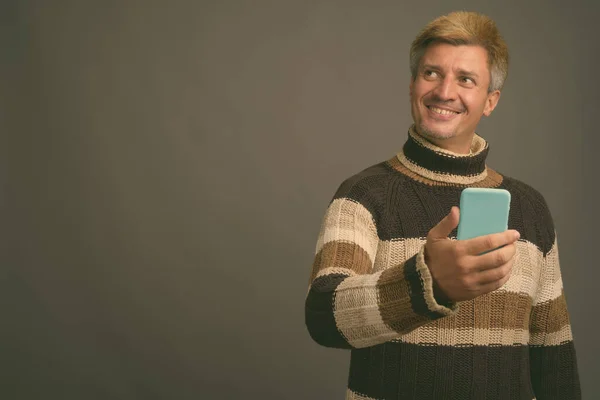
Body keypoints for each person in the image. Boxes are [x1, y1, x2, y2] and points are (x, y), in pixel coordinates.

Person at [304, 11, 581, 400]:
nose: (444, 92)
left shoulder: (530, 208)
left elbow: (554, 355)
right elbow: (323, 317)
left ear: (490, 101)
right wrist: (427, 283)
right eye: (431, 73)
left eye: (466, 79)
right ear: (413, 85)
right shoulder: (362, 195)